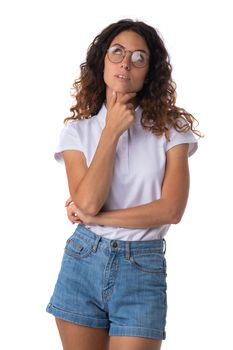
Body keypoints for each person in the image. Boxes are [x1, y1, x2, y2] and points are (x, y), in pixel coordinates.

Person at [46, 18, 201, 350]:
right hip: (83, 261)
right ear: (102, 60)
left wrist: (98, 219)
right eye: (117, 52)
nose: (126, 62)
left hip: (141, 269)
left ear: (149, 71)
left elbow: (171, 210)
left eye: (138, 57)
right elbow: (86, 203)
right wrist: (112, 130)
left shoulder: (173, 129)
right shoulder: (77, 132)